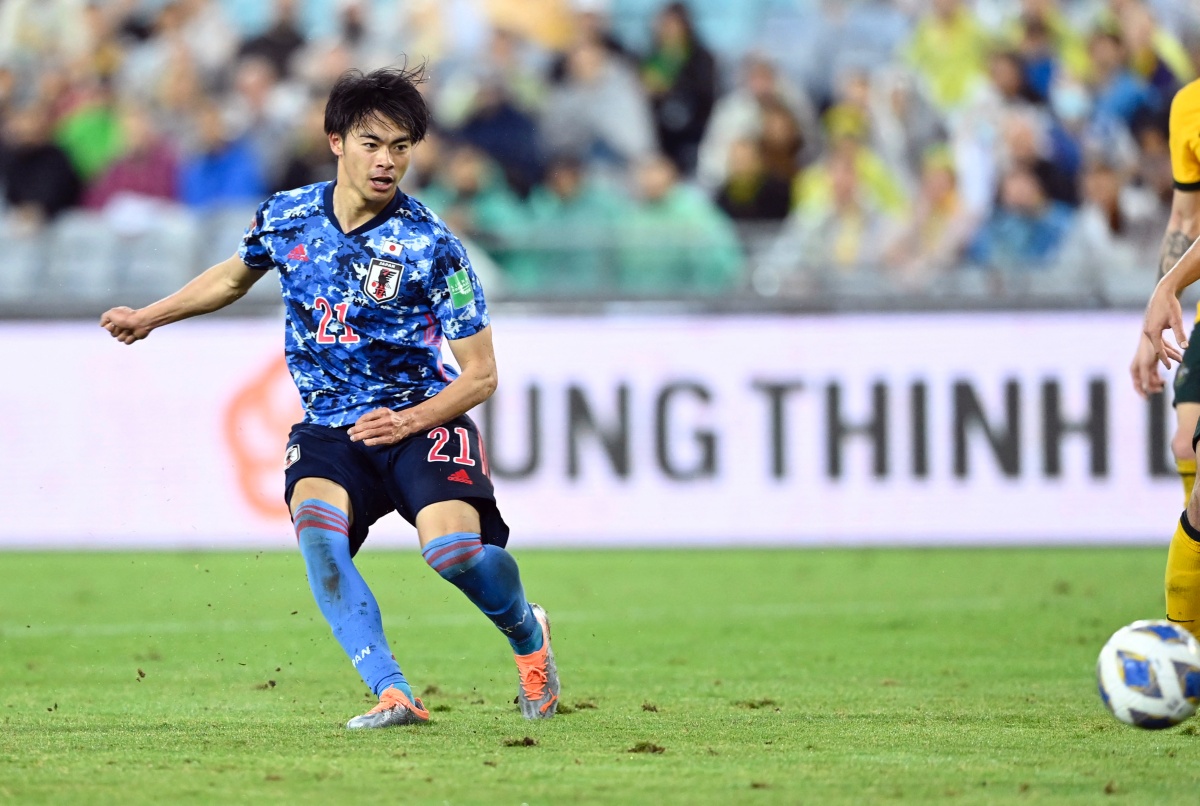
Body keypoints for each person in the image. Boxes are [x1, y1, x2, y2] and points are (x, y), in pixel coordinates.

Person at [99, 66, 560, 727]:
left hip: (419, 417)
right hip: (329, 429)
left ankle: (528, 636)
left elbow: (480, 375)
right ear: (336, 140)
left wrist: (410, 420)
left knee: (454, 556)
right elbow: (232, 278)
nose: (387, 160)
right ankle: (394, 692)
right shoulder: (286, 216)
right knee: (321, 540)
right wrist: (150, 316)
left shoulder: (433, 245)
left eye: (402, 147)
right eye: (373, 142)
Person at [1136, 76, 1200, 638]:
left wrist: (1170, 288)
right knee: (1187, 445)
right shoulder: (1189, 105)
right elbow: (1186, 218)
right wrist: (1162, 298)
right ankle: (1189, 655)